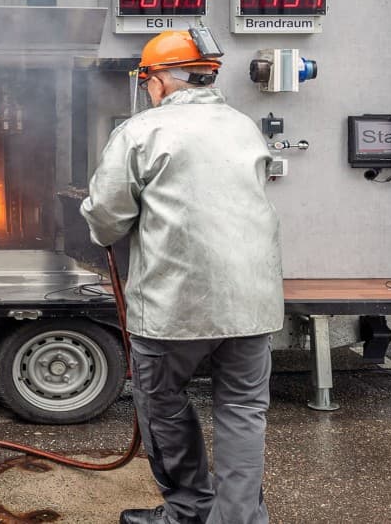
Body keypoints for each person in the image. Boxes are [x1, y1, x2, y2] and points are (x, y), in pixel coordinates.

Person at [81, 28, 284, 524]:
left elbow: (107, 216)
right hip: (252, 303)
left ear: (160, 80)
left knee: (162, 404)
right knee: (242, 412)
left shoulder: (141, 131)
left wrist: (96, 220)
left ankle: (189, 510)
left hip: (175, 304)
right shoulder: (243, 127)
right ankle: (236, 520)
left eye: (147, 79)